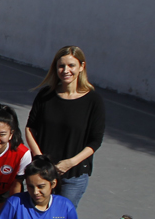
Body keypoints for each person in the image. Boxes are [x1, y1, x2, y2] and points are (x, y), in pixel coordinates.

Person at [25, 46, 105, 208]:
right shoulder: (45, 96)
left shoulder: (93, 101)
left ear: (81, 66)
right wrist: (41, 159)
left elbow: (95, 141)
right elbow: (30, 128)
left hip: (73, 176)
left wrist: (70, 163)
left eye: (71, 65)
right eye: (61, 66)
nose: (66, 70)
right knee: (38, 217)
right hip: (43, 175)